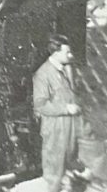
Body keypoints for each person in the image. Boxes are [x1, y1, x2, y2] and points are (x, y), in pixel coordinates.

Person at [33, 35, 83, 192]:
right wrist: (66, 108)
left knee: (69, 161)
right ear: (55, 53)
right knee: (54, 170)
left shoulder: (66, 69)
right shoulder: (43, 74)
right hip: (55, 128)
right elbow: (40, 105)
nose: (71, 55)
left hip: (70, 124)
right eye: (67, 52)